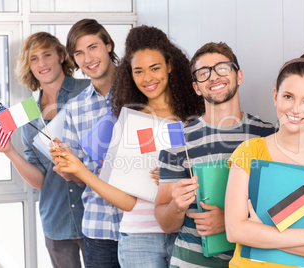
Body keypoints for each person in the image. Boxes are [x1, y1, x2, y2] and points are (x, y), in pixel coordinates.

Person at [51, 25, 205, 268]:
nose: (148, 78)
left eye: (155, 68)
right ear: (130, 75)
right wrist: (79, 170)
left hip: (187, 235)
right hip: (139, 239)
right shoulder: (127, 122)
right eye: (139, 71)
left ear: (170, 66)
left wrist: (174, 176)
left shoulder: (193, 119)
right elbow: (127, 201)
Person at [225, 48, 304, 268]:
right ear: (275, 96)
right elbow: (235, 231)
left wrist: (259, 232)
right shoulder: (248, 153)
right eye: (288, 97)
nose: (295, 108)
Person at [154, 42, 275, 267]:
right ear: (197, 87)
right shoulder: (177, 139)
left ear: (239, 76)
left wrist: (231, 221)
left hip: (254, 261)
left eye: (222, 68)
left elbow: (282, 207)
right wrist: (176, 206)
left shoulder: (268, 135)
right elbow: (165, 222)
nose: (213, 77)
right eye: (203, 73)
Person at [0, 32, 89, 267]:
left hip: (96, 215)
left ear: (62, 56)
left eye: (46, 55)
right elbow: (40, 181)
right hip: (57, 221)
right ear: (29, 66)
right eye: (34, 59)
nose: (41, 63)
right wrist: (9, 151)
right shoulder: (27, 112)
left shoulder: (88, 91)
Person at [57, 18, 121, 268]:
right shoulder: (75, 108)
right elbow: (78, 175)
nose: (88, 59)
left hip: (142, 223)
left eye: (93, 47)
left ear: (108, 45)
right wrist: (66, 167)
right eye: (79, 53)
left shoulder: (140, 91)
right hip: (99, 227)